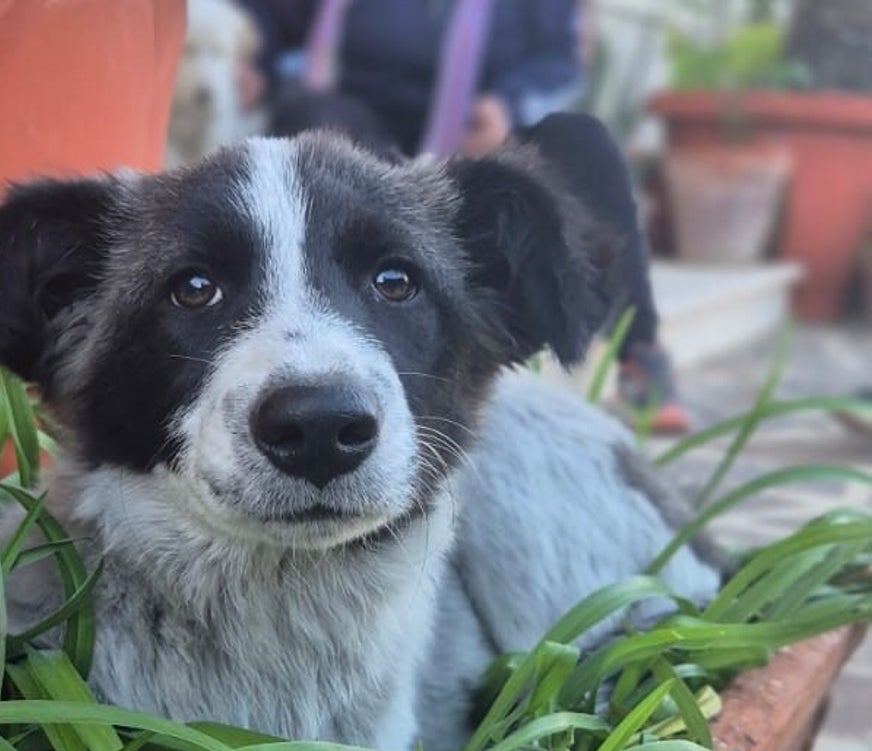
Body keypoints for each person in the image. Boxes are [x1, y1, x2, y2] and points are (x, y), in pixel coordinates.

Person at [237, 0, 692, 433]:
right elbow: (268, 22)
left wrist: (505, 108)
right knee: (313, 115)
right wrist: (253, 65)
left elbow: (561, 62)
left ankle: (641, 355)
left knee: (582, 139)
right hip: (350, 152)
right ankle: (313, 342)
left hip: (477, 145)